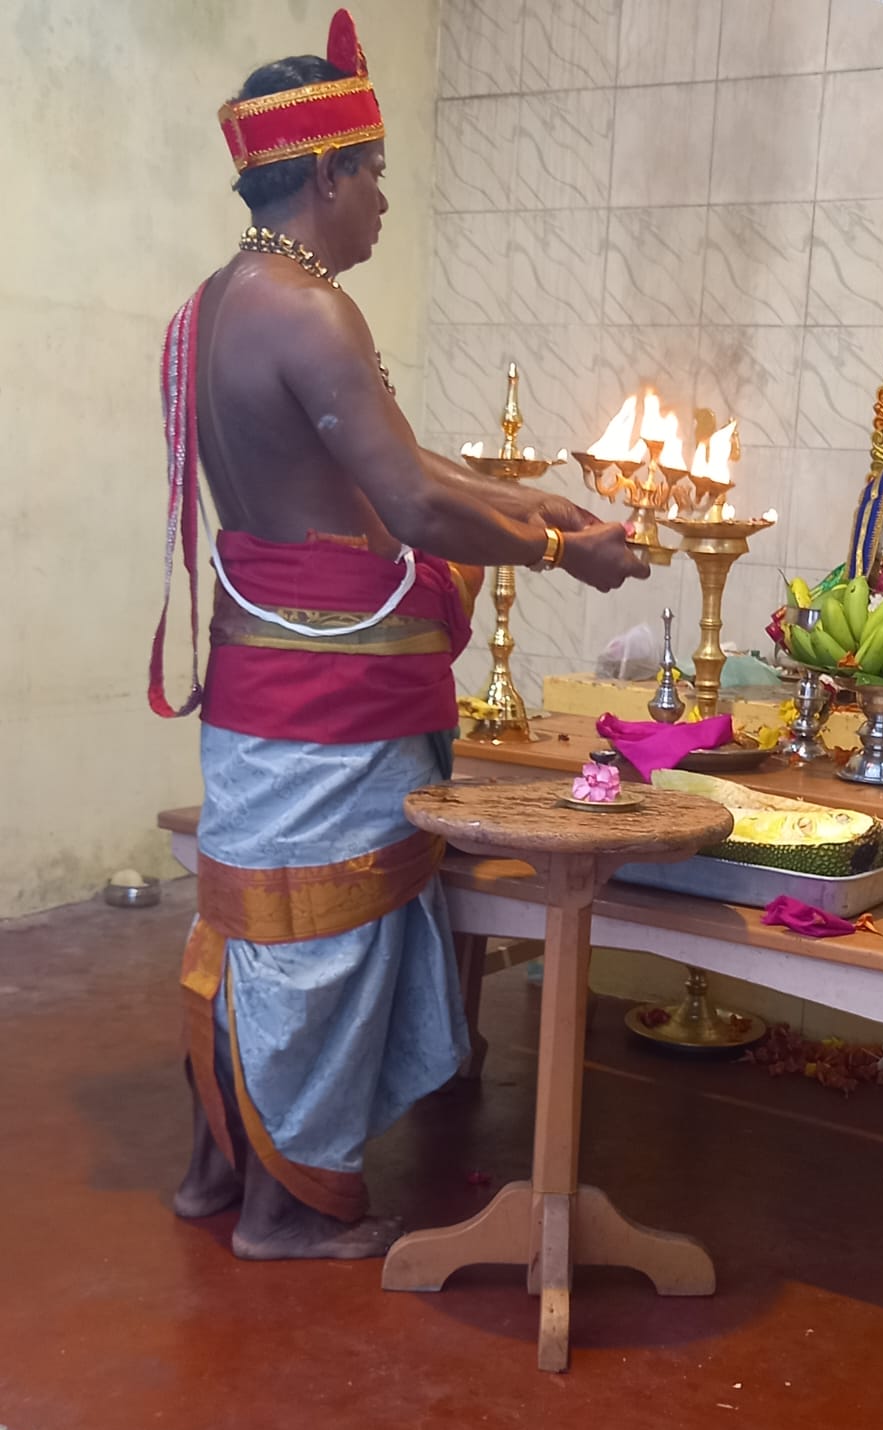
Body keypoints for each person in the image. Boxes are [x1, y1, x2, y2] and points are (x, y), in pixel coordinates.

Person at [151, 9, 646, 1262]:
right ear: (323, 175)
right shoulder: (311, 311)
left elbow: (399, 464)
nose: (383, 199)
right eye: (373, 173)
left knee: (256, 923)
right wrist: (560, 554)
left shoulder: (218, 302)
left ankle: (221, 1171)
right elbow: (413, 506)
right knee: (320, 936)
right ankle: (285, 1208)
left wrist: (530, 503)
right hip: (332, 693)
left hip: (267, 682)